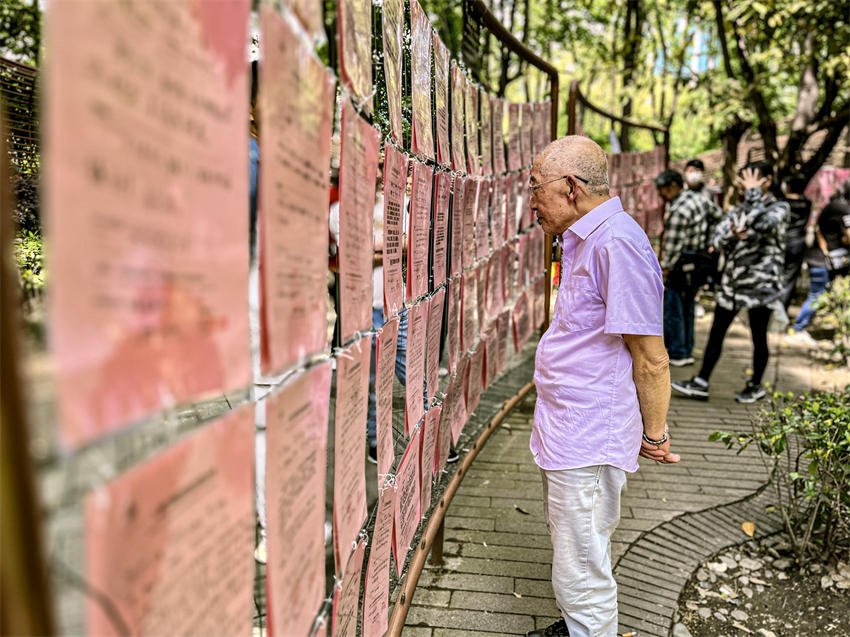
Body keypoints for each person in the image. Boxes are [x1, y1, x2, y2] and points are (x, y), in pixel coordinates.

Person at [526, 136, 679, 637]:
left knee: (583, 564)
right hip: (569, 427)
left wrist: (653, 435)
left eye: (535, 188)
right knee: (574, 549)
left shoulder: (617, 243)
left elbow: (652, 358)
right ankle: (578, 627)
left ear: (570, 187)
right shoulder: (586, 237)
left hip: (588, 434)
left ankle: (591, 630)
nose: (531, 200)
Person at [672, 161, 789, 404]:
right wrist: (731, 234)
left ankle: (756, 384)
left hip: (761, 286)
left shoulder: (780, 208)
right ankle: (701, 381)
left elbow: (764, 224)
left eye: (750, 181)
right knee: (716, 333)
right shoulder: (739, 209)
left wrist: (754, 196)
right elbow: (718, 238)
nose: (744, 186)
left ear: (766, 180)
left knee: (759, 336)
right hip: (733, 284)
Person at [655, 169, 716, 366]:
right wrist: (711, 241)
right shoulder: (699, 200)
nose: (661, 195)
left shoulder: (679, 211)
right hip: (700, 259)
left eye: (662, 190)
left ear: (673, 187)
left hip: (682, 262)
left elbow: (672, 247)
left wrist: (664, 271)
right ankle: (687, 348)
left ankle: (679, 352)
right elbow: (719, 215)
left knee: (674, 308)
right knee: (688, 306)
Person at [787, 178, 850, 338]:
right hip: (824, 261)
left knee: (822, 295)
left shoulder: (835, 205)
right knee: (817, 295)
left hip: (822, 259)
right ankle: (798, 329)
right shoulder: (843, 209)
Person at [779, 173, 813, 309]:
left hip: (782, 242)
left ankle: (771, 309)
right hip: (798, 242)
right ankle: (781, 310)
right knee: (789, 279)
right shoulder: (807, 203)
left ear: (788, 187)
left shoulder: (781, 203)